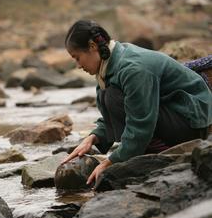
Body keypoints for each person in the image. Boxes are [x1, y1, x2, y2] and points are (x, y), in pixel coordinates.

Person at [62, 20, 212, 188]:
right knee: (111, 96)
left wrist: (111, 162)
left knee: (113, 97)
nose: (78, 65)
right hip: (173, 112)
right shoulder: (108, 65)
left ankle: (160, 153)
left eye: (77, 58)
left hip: (192, 119)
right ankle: (141, 149)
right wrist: (93, 137)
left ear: (92, 46)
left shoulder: (132, 68)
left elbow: (140, 123)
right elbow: (120, 112)